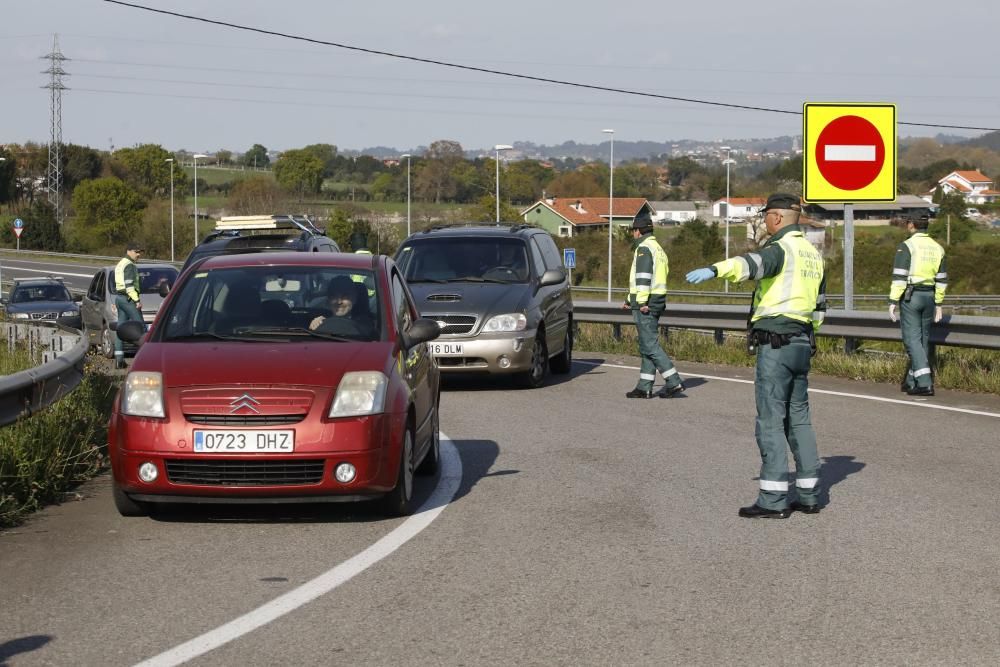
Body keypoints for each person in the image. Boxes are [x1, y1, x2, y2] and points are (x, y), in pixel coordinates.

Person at [686, 193, 826, 519]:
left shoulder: (780, 249)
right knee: (800, 420)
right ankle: (809, 496)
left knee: (771, 421)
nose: (764, 222)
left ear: (776, 218)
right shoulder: (813, 255)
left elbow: (752, 265)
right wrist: (806, 333)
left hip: (775, 345)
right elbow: (819, 308)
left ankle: (773, 500)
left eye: (766, 217)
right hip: (803, 342)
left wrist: (714, 269)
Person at [623, 212, 685, 399]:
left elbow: (643, 278)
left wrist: (640, 301)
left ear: (638, 231)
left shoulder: (643, 248)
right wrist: (629, 299)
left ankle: (674, 381)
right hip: (656, 299)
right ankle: (644, 386)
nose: (633, 234)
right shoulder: (658, 248)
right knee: (646, 344)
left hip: (646, 302)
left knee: (649, 345)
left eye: (633, 230)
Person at [888, 212, 947, 396]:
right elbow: (942, 279)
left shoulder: (907, 246)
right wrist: (938, 302)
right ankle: (911, 381)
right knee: (922, 340)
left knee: (911, 339)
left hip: (911, 296)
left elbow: (900, 276)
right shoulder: (938, 248)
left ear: (911, 225)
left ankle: (924, 382)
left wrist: (892, 301)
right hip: (929, 296)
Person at [309, 275, 375, 339]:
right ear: (329, 300)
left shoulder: (365, 323)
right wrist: (313, 328)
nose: (339, 301)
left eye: (345, 296)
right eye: (334, 296)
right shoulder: (320, 320)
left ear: (354, 298)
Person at [113, 241, 145, 369]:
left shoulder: (121, 263)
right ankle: (144, 360)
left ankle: (119, 360)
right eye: (136, 252)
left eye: (140, 252)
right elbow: (129, 286)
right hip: (128, 299)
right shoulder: (130, 266)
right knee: (141, 328)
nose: (139, 254)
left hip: (120, 298)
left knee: (120, 328)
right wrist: (137, 300)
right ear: (129, 251)